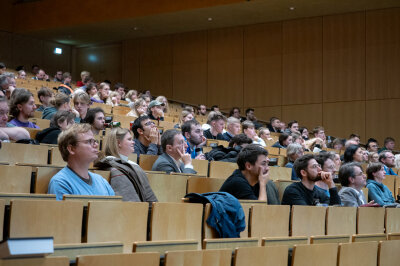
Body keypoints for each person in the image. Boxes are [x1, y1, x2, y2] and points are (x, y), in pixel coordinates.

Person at [48, 124, 115, 200]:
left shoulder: (102, 181)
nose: (96, 145)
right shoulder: (60, 182)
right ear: (71, 149)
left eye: (95, 141)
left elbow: (114, 210)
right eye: (89, 141)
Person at [94, 128, 157, 202]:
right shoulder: (114, 168)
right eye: (129, 139)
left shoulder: (132, 164)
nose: (133, 142)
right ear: (118, 143)